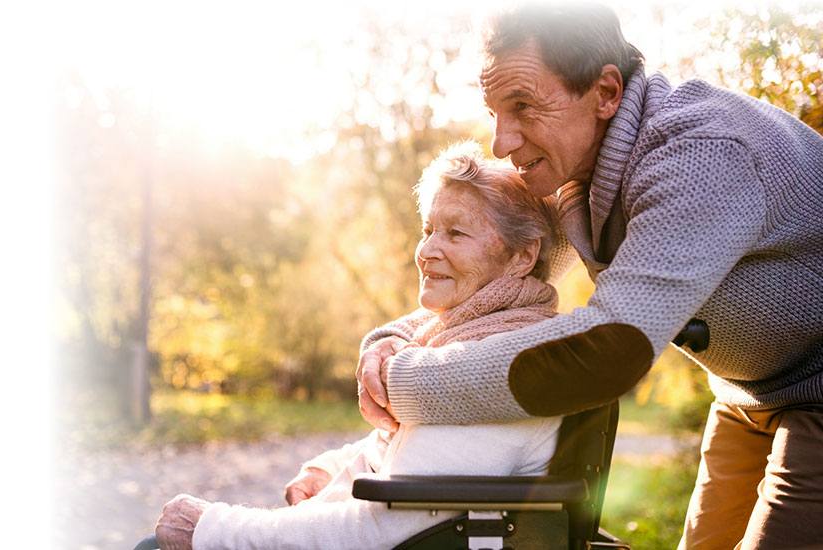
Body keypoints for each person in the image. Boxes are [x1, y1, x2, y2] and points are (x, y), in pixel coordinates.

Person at [353, 3, 823, 548]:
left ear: (605, 93)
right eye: (495, 112)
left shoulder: (699, 155)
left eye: (523, 106)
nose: (502, 142)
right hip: (751, 394)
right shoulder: (576, 166)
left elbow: (608, 349)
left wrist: (405, 382)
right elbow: (500, 273)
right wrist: (392, 340)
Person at [153, 143, 568, 549]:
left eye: (455, 233)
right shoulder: (471, 337)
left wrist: (212, 529)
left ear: (522, 256)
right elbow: (418, 456)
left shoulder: (501, 363)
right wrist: (334, 469)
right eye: (428, 231)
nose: (426, 251)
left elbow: (376, 532)